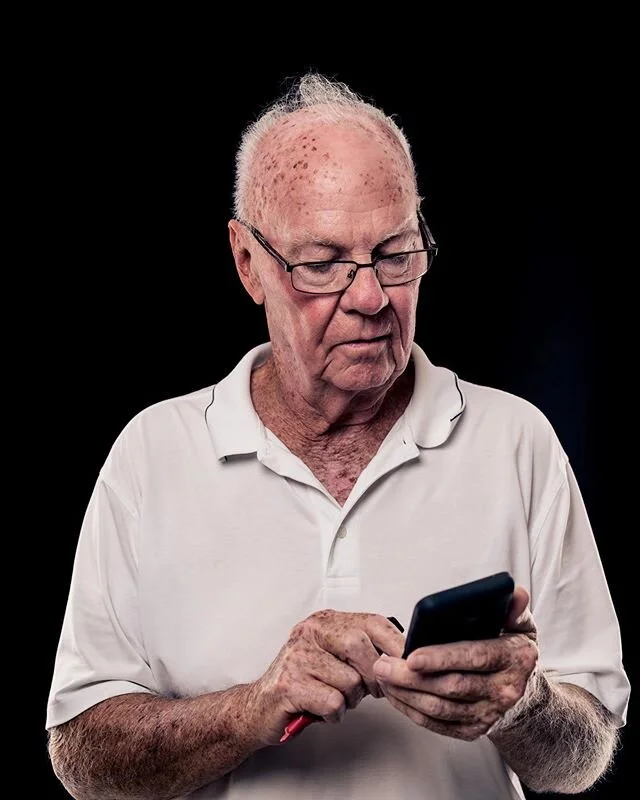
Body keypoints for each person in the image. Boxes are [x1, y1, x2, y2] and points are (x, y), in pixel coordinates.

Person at [46, 72, 630, 800]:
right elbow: (82, 759)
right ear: (247, 263)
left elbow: (582, 755)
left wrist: (522, 703)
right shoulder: (151, 456)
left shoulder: (518, 442)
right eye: (323, 264)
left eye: (395, 254)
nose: (371, 298)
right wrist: (251, 710)